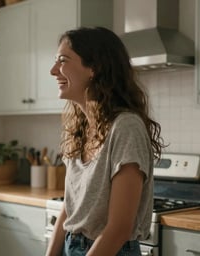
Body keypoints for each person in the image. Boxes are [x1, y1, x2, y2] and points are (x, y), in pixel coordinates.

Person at [46, 27, 165, 256]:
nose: (53, 70)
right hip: (74, 246)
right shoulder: (79, 127)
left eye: (63, 60)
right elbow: (71, 207)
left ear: (94, 68)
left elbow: (119, 229)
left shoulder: (126, 128)